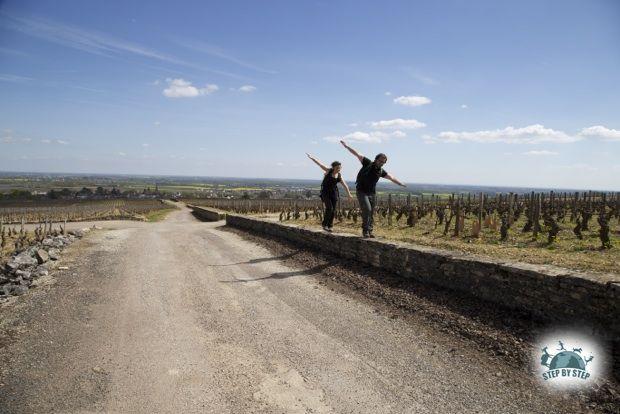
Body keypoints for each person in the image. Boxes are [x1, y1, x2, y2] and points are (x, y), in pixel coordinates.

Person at [340, 140, 406, 238]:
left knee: (371, 212)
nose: (382, 163)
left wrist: (399, 183)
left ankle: (370, 231)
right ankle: (365, 231)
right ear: (376, 159)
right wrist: (346, 146)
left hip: (372, 193)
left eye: (384, 162)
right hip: (361, 191)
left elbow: (390, 177)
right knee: (367, 209)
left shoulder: (381, 171)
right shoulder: (367, 163)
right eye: (380, 161)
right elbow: (357, 154)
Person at [306, 153, 352, 232]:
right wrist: (311, 157)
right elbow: (319, 164)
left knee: (333, 210)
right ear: (333, 167)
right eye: (337, 168)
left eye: (340, 168)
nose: (339, 169)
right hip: (325, 193)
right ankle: (324, 224)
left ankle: (330, 225)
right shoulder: (328, 171)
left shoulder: (339, 176)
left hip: (333, 193)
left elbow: (345, 186)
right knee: (329, 208)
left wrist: (349, 194)